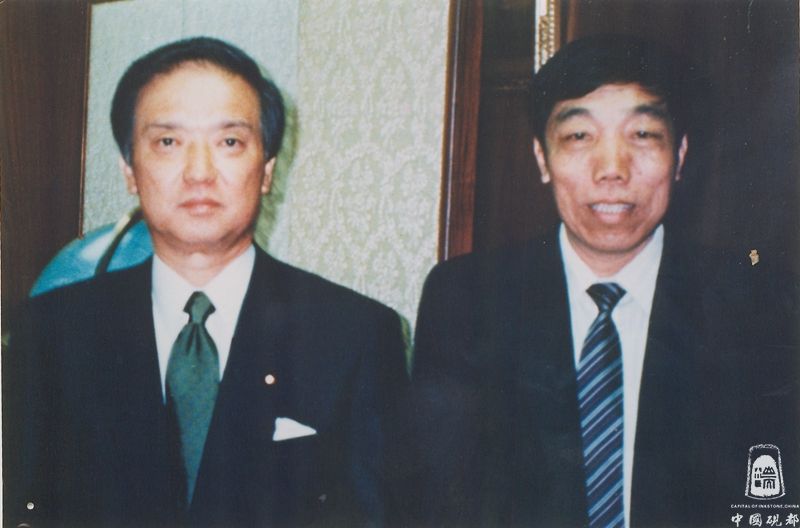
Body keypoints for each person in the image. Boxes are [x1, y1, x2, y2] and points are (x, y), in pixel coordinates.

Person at [3, 37, 408, 527]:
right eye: (168, 143)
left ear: (266, 170)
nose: (199, 172)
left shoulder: (355, 335)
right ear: (129, 170)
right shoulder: (50, 331)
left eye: (229, 142)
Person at [411, 35, 799, 527]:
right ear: (541, 158)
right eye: (579, 136)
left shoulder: (759, 305)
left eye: (643, 135)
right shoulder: (466, 300)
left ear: (680, 155)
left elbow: (773, 503)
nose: (612, 169)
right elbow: (440, 502)